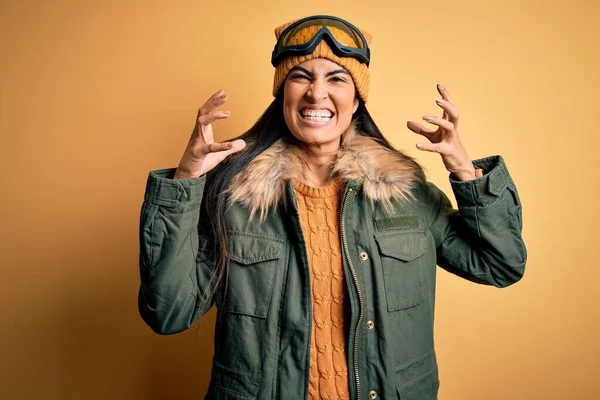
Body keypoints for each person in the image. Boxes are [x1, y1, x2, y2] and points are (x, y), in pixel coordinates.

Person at [138, 15, 527, 400]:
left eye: (336, 78)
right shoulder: (235, 199)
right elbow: (169, 313)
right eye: (301, 76)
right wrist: (186, 181)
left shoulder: (405, 195)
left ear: (357, 100)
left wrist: (465, 171)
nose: (317, 94)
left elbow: (501, 264)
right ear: (282, 94)